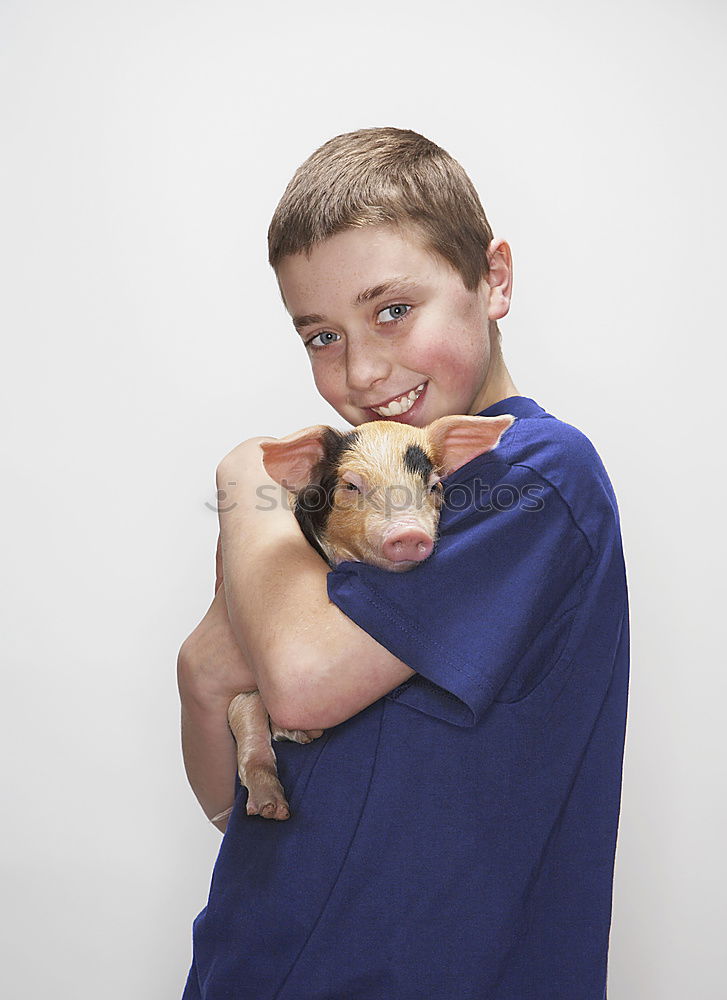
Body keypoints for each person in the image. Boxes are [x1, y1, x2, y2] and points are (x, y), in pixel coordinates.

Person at [177, 127, 629, 999]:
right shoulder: (339, 494)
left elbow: (299, 681)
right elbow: (227, 796)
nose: (363, 368)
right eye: (320, 336)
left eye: (392, 310)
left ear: (492, 279)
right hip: (248, 967)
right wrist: (209, 673)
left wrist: (243, 479)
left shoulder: (533, 475)